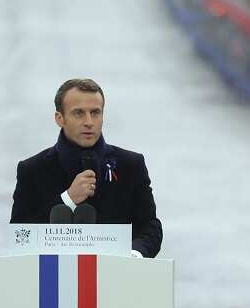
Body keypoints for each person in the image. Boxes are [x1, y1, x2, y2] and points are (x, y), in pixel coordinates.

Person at [10, 78, 162, 257]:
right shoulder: (32, 169)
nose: (89, 121)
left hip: (117, 277)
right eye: (79, 113)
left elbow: (149, 227)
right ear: (60, 118)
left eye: (95, 112)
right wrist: (67, 199)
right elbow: (19, 236)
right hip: (51, 279)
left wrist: (134, 255)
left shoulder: (131, 164)